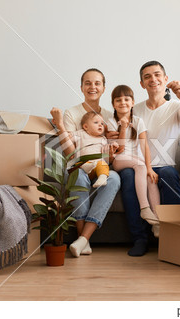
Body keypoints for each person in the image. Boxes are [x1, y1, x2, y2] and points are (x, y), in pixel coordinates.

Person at [118, 61, 180, 256]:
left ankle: (174, 236)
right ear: (141, 84)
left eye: (157, 75)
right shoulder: (134, 110)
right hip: (138, 165)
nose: (152, 79)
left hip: (163, 166)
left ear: (165, 79)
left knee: (168, 174)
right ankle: (140, 239)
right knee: (128, 176)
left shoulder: (175, 107)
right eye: (147, 77)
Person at [50, 68, 120, 258]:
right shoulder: (72, 114)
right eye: (88, 83)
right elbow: (71, 153)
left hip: (100, 167)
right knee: (77, 173)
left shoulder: (109, 115)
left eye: (97, 83)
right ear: (81, 87)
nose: (92, 87)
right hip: (79, 166)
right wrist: (60, 127)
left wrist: (111, 154)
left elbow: (109, 156)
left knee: (113, 178)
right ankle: (84, 240)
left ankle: (82, 240)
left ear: (104, 88)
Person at [107, 85, 160, 232]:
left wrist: (150, 168)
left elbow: (145, 147)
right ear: (113, 104)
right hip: (119, 160)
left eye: (126, 99)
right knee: (141, 166)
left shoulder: (138, 121)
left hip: (136, 160)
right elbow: (119, 149)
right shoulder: (111, 122)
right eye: (118, 100)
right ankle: (144, 208)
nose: (123, 102)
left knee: (150, 177)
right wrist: (123, 127)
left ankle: (156, 223)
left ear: (132, 102)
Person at [52, 110, 116, 188]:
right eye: (96, 122)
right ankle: (87, 167)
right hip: (83, 163)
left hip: (97, 165)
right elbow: (67, 138)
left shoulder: (103, 139)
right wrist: (60, 125)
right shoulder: (80, 134)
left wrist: (112, 147)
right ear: (85, 126)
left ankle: (102, 178)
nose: (100, 125)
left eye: (102, 123)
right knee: (76, 164)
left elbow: (106, 154)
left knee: (103, 164)